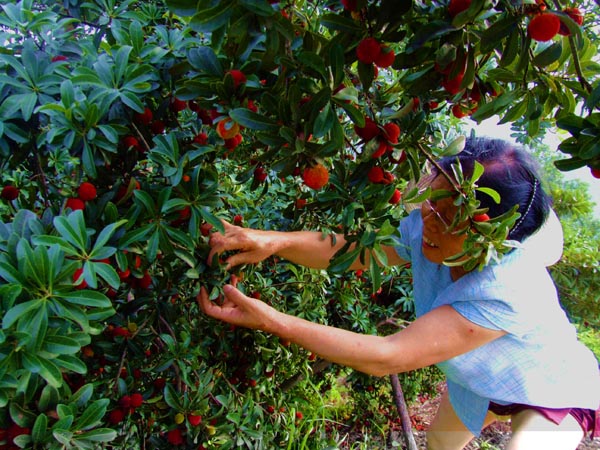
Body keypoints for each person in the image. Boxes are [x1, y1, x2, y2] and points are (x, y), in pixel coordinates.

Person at [196, 137, 600, 450]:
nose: (428, 218)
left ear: (489, 239)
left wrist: (269, 319)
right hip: (477, 382)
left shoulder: (508, 290)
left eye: (446, 217)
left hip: (549, 388)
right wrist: (274, 241)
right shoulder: (431, 222)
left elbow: (386, 356)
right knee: (440, 446)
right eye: (432, 199)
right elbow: (354, 251)